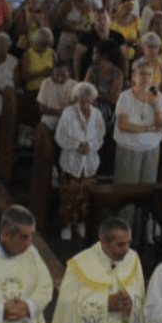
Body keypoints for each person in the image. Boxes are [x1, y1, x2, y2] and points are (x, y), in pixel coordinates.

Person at [113, 59, 162, 223]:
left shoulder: (158, 96)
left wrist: (156, 106)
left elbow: (161, 124)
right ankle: (123, 228)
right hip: (129, 148)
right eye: (142, 73)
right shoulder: (125, 97)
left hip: (151, 149)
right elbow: (123, 125)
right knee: (127, 193)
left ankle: (142, 230)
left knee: (146, 192)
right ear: (134, 76)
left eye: (150, 74)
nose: (146, 77)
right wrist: (148, 129)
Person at [55, 82, 106, 241]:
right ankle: (66, 225)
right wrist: (77, 145)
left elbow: (100, 135)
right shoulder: (68, 113)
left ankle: (81, 223)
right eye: (82, 100)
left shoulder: (97, 114)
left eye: (88, 100)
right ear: (77, 99)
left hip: (89, 162)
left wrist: (90, 146)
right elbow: (60, 137)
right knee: (69, 195)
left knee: (86, 196)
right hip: (71, 161)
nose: (85, 104)